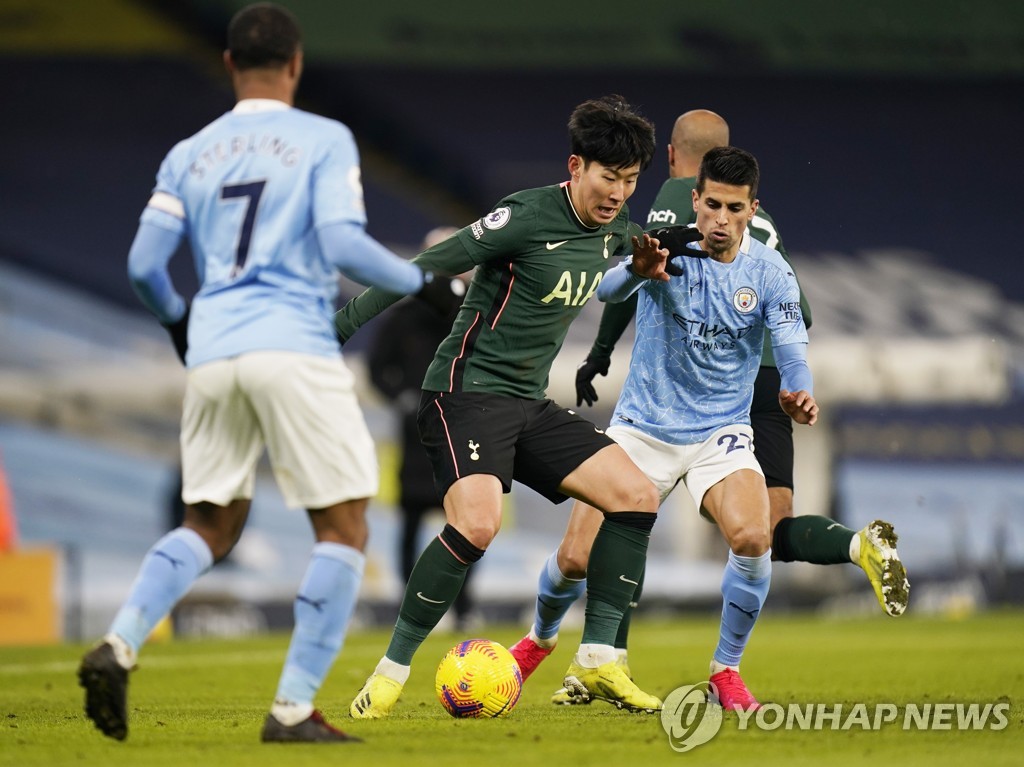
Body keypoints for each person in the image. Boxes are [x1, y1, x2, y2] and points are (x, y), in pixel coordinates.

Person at [77, 2, 457, 744]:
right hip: (293, 344)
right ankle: (290, 709)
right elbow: (343, 241)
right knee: (344, 527)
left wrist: (183, 324)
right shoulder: (321, 137)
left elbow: (143, 266)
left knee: (208, 523)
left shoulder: (189, 152)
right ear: (295, 65)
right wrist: (423, 283)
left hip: (215, 348)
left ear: (229, 65)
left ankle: (119, 641)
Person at [516, 111, 909, 708]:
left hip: (718, 432)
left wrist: (797, 391)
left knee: (754, 536)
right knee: (573, 558)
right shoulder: (664, 247)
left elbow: (793, 348)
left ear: (754, 209)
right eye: (713, 206)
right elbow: (607, 290)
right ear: (693, 199)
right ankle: (536, 645)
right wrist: (637, 272)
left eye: (735, 208)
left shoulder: (771, 272)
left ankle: (725, 671)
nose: (721, 220)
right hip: (642, 428)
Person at [334, 95, 697, 718]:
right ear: (576, 165)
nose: (617, 192)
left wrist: (640, 268)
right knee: (477, 525)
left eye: (630, 180)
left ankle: (602, 659)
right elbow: (420, 269)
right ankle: (390, 673)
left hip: (529, 404)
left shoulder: (618, 225)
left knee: (635, 496)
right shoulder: (523, 216)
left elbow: (617, 273)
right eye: (608, 178)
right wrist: (334, 332)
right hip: (463, 392)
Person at [366, 226, 479, 632]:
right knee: (411, 519)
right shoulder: (402, 315)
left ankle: (464, 607)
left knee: (469, 519)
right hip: (415, 433)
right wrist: (401, 397)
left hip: (463, 426)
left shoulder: (477, 311)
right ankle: (408, 602)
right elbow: (378, 369)